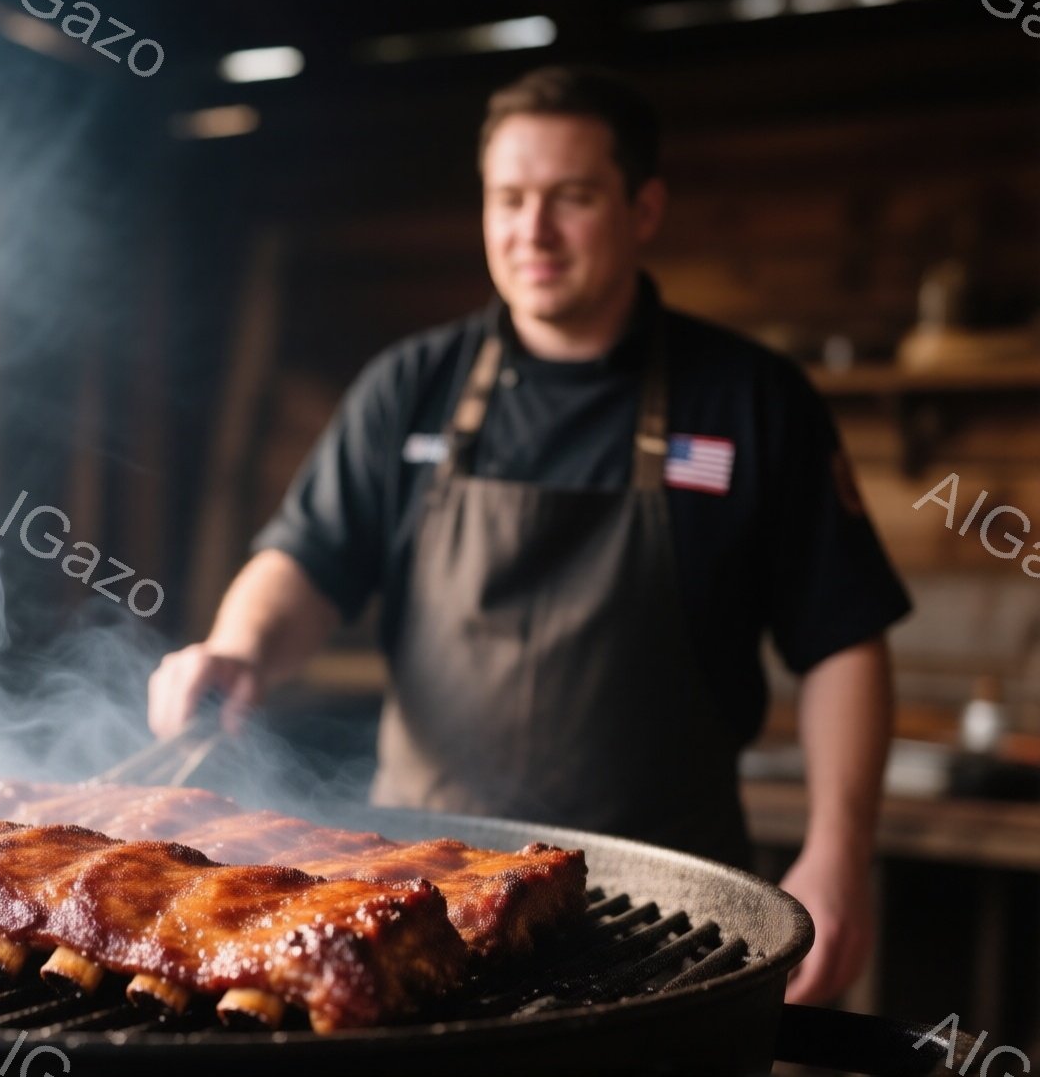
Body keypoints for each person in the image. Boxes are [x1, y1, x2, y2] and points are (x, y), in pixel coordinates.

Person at [147, 66, 910, 1005]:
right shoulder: (411, 386)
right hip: (419, 899)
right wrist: (238, 649)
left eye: (572, 198)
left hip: (670, 908)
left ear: (644, 208)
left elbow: (842, 641)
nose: (532, 231)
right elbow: (306, 559)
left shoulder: (753, 400)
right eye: (509, 199)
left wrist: (840, 851)